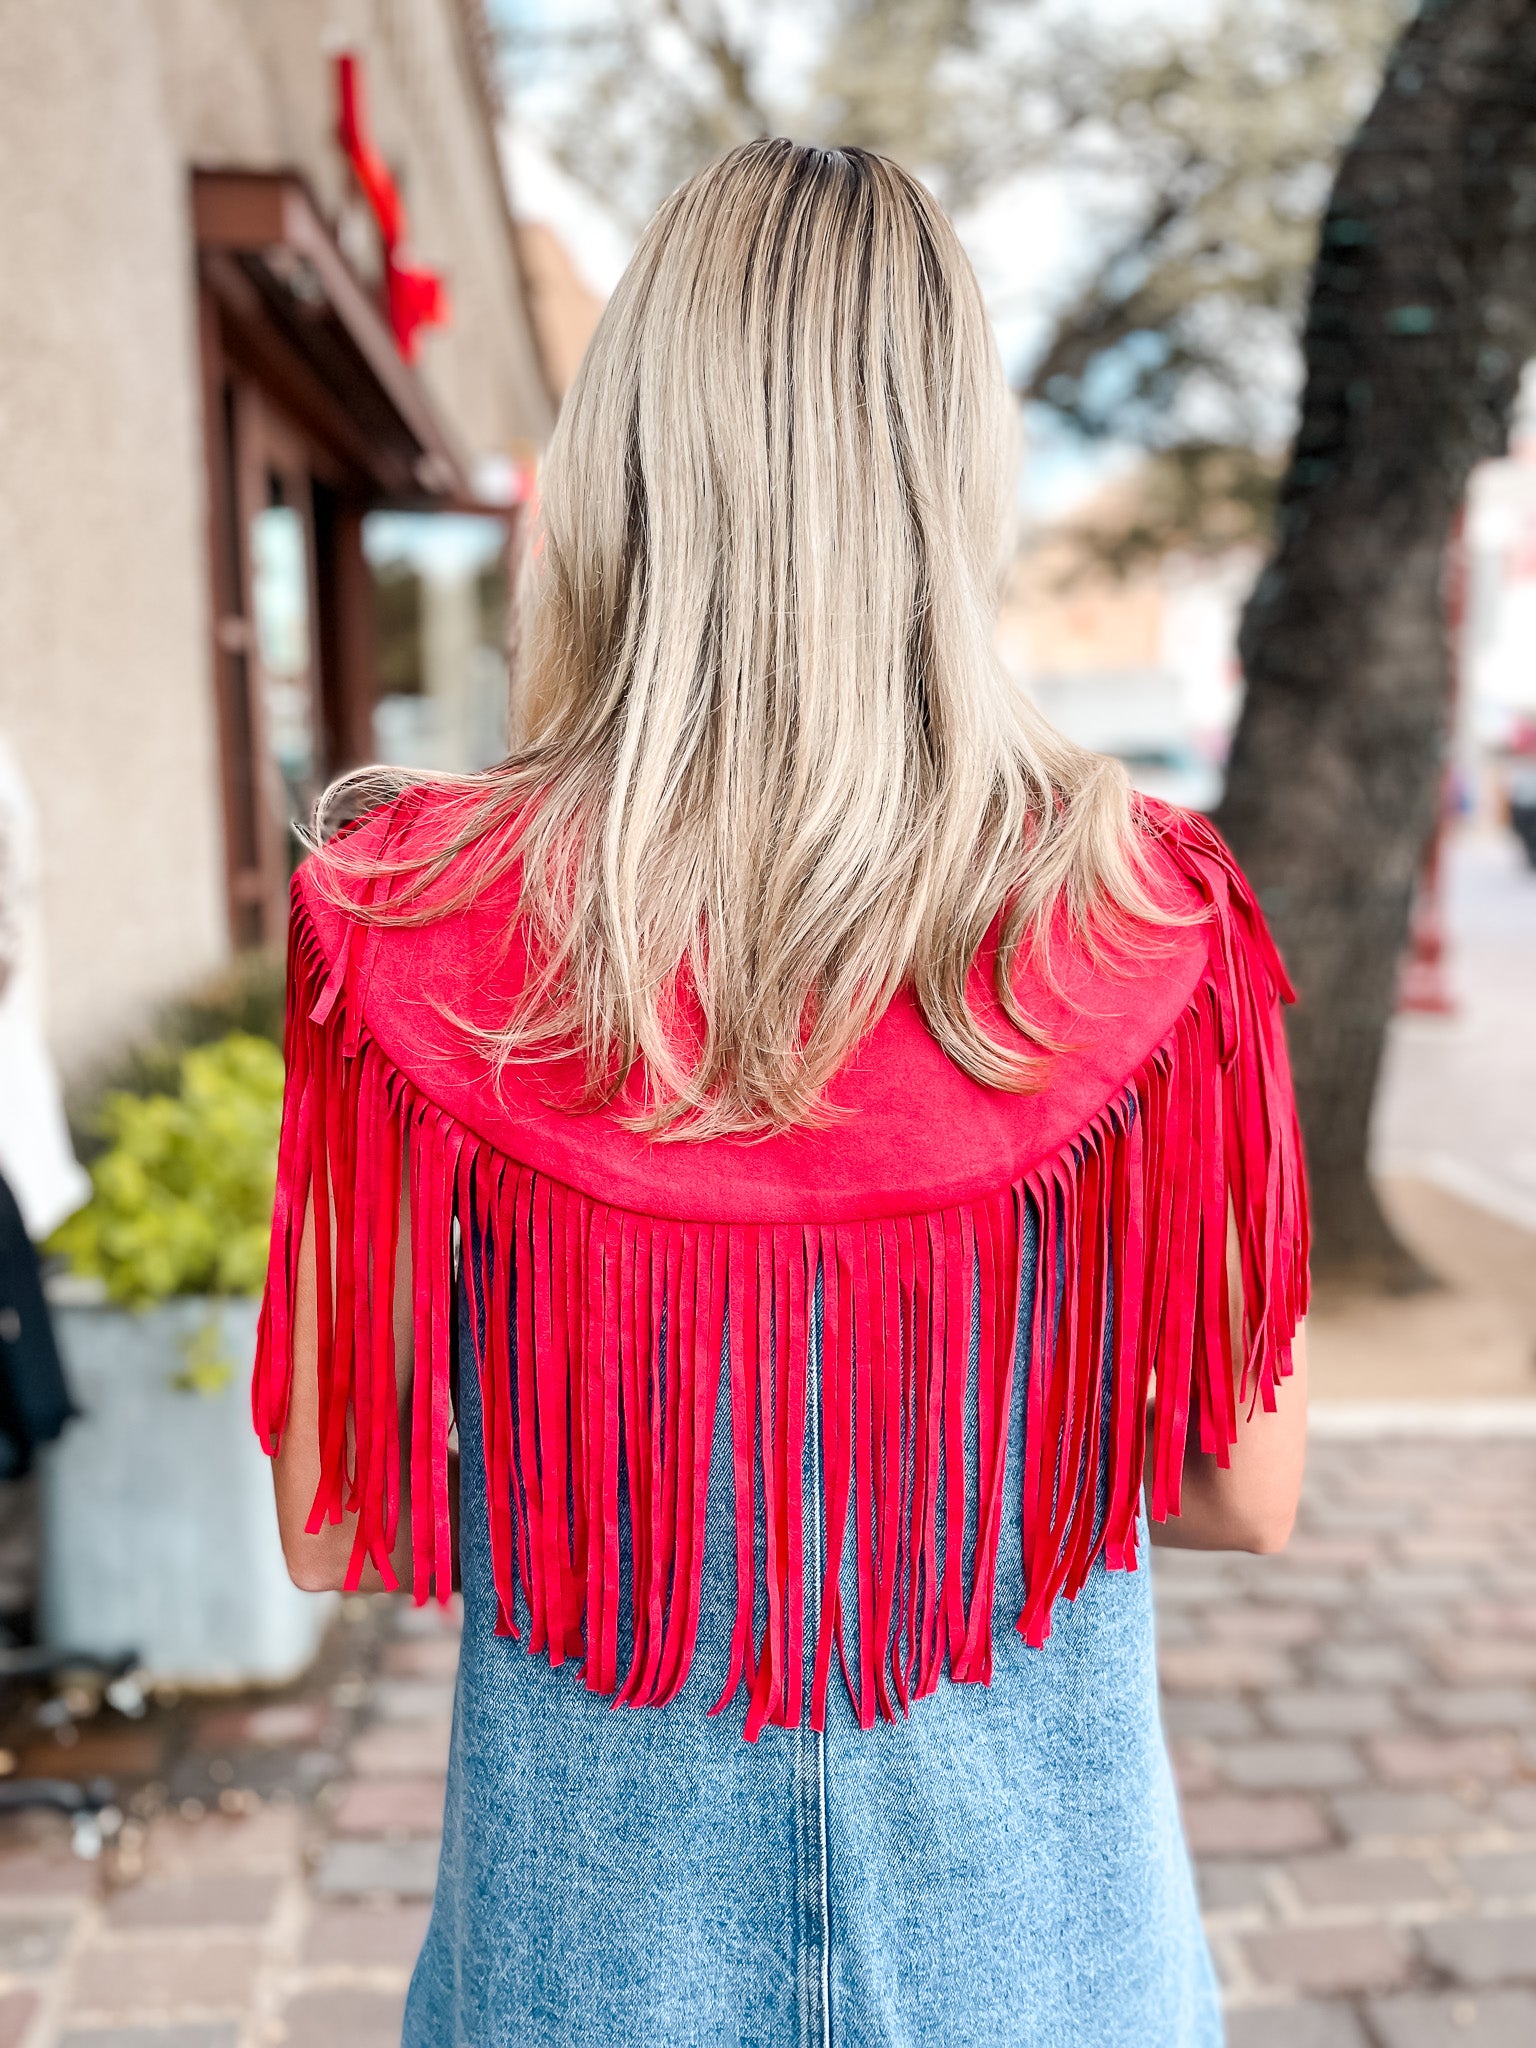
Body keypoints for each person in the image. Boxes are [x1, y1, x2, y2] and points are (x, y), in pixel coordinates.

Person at [255, 141, 1308, 2048]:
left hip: (587, 1975)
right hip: (1047, 1969)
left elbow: (334, 1524)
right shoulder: (1146, 919)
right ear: (951, 476)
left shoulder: (403, 923)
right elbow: (1244, 1490)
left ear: (634, 457)